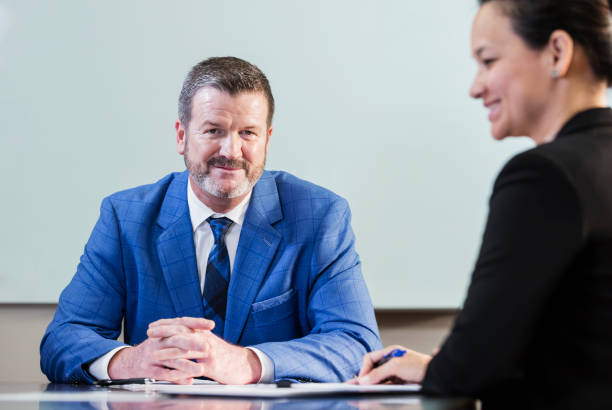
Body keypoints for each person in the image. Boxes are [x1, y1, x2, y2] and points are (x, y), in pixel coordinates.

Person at [40, 56, 381, 385]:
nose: (231, 151)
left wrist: (245, 362)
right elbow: (63, 339)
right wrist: (129, 361)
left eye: (248, 133)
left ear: (267, 140)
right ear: (181, 136)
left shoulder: (319, 216)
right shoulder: (125, 217)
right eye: (213, 130)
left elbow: (357, 344)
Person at [353, 0, 612, 408]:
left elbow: (470, 367)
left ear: (557, 53)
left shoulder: (542, 177)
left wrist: (445, 368)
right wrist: (443, 365)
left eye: (488, 61)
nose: (475, 86)